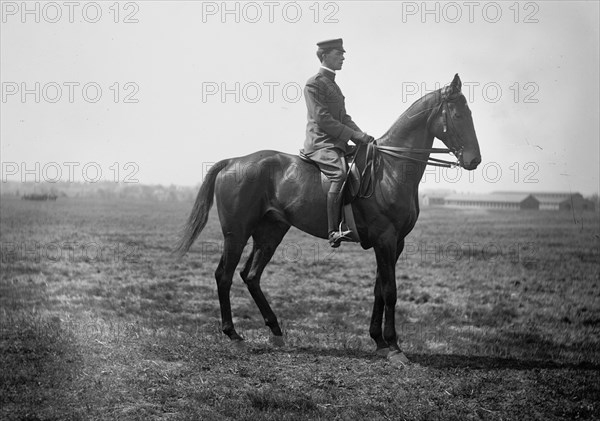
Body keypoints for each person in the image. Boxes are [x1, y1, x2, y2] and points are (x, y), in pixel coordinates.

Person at [302, 38, 374, 248]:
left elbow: (343, 117)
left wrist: (362, 136)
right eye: (338, 53)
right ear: (324, 56)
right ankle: (333, 230)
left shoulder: (332, 84)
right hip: (320, 143)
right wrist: (352, 135)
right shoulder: (314, 83)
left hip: (336, 143)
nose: (343, 57)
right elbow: (323, 119)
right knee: (339, 174)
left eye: (342, 54)